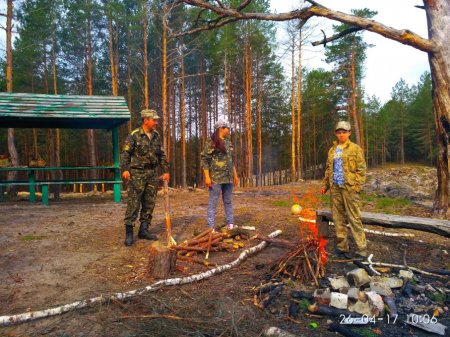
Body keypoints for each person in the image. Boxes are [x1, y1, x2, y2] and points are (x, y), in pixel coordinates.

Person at [121, 109, 170, 247]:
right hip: (137, 173)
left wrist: (165, 170)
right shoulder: (134, 136)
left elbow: (161, 154)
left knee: (149, 202)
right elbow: (125, 153)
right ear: (145, 120)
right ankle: (129, 232)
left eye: (156, 120)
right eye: (153, 119)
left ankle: (144, 229)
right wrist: (125, 169)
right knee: (134, 202)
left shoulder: (156, 136)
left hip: (152, 174)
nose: (156, 122)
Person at [320, 121, 367, 260]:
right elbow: (329, 169)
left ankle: (361, 250)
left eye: (344, 132)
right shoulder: (332, 150)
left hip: (349, 189)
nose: (341, 134)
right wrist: (325, 185)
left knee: (354, 218)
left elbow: (362, 170)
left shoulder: (355, 149)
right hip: (335, 188)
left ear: (349, 133)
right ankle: (342, 247)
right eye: (339, 132)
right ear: (336, 133)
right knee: (338, 218)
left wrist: (356, 187)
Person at [201, 118, 239, 231]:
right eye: (228, 128)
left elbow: (230, 161)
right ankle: (211, 229)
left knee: (228, 201)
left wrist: (235, 175)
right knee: (213, 203)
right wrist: (207, 177)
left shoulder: (228, 142)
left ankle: (230, 225)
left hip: (228, 178)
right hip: (216, 178)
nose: (229, 130)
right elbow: (205, 160)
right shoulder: (211, 142)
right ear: (221, 128)